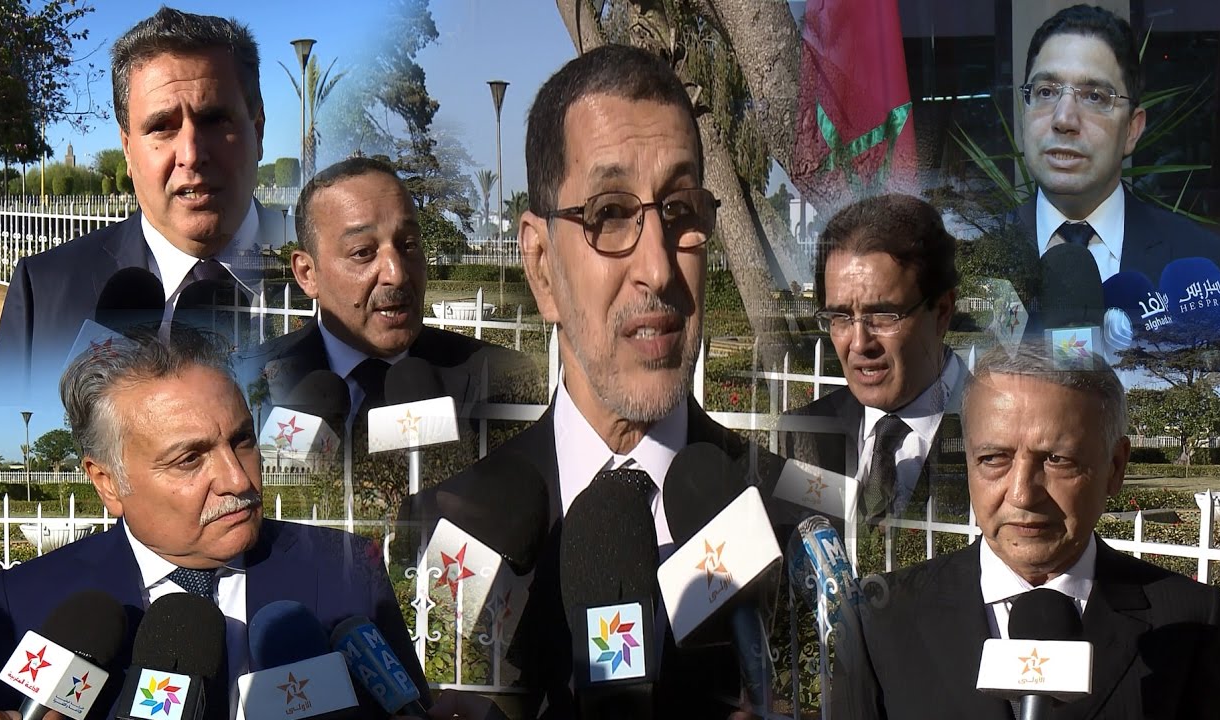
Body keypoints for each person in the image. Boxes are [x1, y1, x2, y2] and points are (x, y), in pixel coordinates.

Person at [408, 44, 784, 719]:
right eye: (609, 214)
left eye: (680, 210)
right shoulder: (446, 533)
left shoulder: (793, 525)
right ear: (541, 266)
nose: (659, 269)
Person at [0, 326, 425, 720]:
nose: (237, 480)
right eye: (189, 459)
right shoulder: (30, 602)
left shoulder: (347, 570)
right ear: (108, 483)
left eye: (242, 441)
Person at [833, 343, 1220, 719]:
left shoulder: (1192, 621)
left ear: (1115, 467)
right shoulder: (878, 620)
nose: (1023, 494)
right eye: (994, 458)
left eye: (1058, 460)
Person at [0, 7, 292, 404]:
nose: (191, 154)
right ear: (128, 150)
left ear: (258, 131)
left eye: (215, 120)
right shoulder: (42, 293)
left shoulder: (336, 274)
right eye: (162, 126)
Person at [243, 156, 535, 427]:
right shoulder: (246, 380)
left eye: (409, 245)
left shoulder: (500, 380)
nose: (397, 275)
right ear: (307, 273)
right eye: (363, 252)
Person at [783, 195, 968, 562]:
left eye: (883, 315)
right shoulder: (805, 434)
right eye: (840, 317)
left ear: (942, 311)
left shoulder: (1001, 437)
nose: (859, 343)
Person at [1013, 4, 1220, 289]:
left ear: (1132, 129)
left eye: (1094, 97)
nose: (1064, 119)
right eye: (1046, 92)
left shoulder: (1206, 263)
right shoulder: (967, 260)